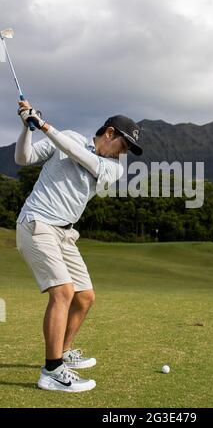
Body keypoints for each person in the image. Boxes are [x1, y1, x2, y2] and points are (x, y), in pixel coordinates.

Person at [15, 100, 143, 392]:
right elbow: (24, 158)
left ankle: (63, 352)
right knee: (63, 292)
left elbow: (79, 157)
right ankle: (52, 370)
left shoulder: (113, 169)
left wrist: (44, 125)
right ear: (109, 133)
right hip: (38, 224)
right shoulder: (69, 137)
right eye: (124, 147)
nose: (124, 155)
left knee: (84, 296)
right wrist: (28, 129)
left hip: (65, 234)